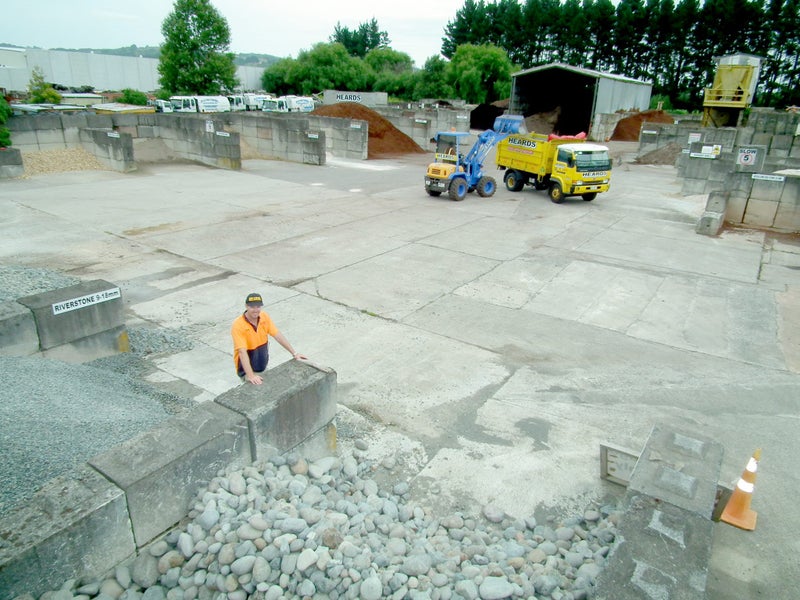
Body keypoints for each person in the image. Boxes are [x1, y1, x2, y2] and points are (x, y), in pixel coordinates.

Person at [231, 292, 307, 385]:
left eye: (258, 307)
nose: (255, 310)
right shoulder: (238, 325)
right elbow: (242, 352)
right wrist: (250, 376)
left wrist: (294, 353)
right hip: (247, 371)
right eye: (252, 307)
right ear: (246, 306)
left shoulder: (264, 317)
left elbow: (277, 335)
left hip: (262, 366)